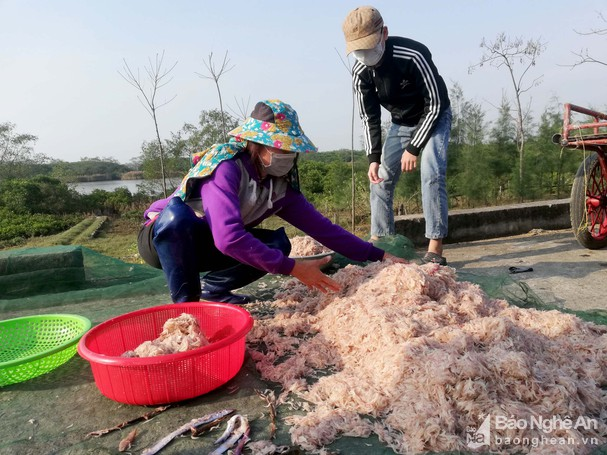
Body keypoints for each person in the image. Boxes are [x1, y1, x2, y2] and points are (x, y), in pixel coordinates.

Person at [138, 99, 405, 304]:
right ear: (258, 145)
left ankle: (214, 289)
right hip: (164, 239)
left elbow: (326, 231)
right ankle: (186, 310)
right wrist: (294, 269)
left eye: (291, 150)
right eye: (281, 147)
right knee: (176, 218)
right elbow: (228, 238)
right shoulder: (226, 167)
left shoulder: (279, 188)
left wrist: (378, 255)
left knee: (278, 244)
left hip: (207, 245)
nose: (287, 155)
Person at [342, 6, 453, 266]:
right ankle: (381, 244)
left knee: (431, 171)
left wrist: (414, 148)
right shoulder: (361, 72)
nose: (366, 54)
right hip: (401, 123)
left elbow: (435, 104)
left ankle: (435, 247)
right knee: (379, 179)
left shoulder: (412, 54)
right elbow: (368, 117)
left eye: (369, 46)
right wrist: (373, 158)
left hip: (433, 117)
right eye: (359, 49)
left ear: (384, 34)